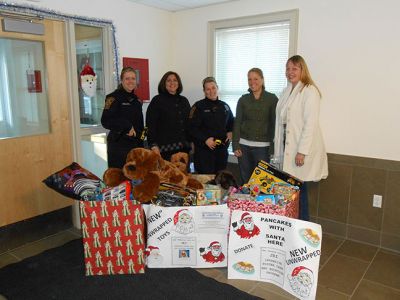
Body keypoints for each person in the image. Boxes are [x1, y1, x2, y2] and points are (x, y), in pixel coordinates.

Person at [273, 55, 328, 221]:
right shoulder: (286, 91)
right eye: (288, 68)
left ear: (302, 70)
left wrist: (302, 152)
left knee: (299, 191)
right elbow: (282, 122)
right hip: (287, 147)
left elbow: (310, 124)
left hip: (300, 150)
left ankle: (303, 229)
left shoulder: (309, 91)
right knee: (292, 192)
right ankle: (292, 226)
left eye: (294, 68)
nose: (290, 72)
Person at [232, 68, 278, 184]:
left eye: (256, 79)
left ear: (262, 80)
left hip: (263, 148)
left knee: (262, 182)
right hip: (243, 147)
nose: (252, 82)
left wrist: (272, 147)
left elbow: (274, 124)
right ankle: (246, 203)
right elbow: (237, 123)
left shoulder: (272, 99)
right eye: (250, 79)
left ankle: (260, 203)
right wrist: (235, 144)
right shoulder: (243, 100)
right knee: (246, 180)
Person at [188, 77, 234, 174]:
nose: (211, 91)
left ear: (217, 88)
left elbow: (231, 122)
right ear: (204, 91)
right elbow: (191, 128)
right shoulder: (198, 106)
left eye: (213, 88)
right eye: (208, 89)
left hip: (221, 151)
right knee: (206, 181)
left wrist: (230, 131)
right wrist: (205, 139)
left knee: (220, 180)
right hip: (204, 152)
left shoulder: (225, 106)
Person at [101, 67, 144, 169]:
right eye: (127, 78)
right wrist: (126, 126)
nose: (130, 81)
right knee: (119, 181)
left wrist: (142, 144)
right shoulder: (113, 98)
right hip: (118, 147)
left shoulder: (137, 101)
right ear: (121, 80)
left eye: (133, 78)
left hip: (135, 147)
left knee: (134, 181)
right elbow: (105, 121)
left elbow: (141, 125)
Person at [146, 71, 191, 161]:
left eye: (175, 80)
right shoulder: (157, 101)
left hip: (184, 149)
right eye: (169, 80)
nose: (172, 83)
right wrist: (153, 145)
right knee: (166, 175)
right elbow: (150, 125)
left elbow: (189, 123)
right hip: (164, 151)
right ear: (164, 83)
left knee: (182, 175)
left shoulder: (184, 101)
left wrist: (192, 142)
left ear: (178, 83)